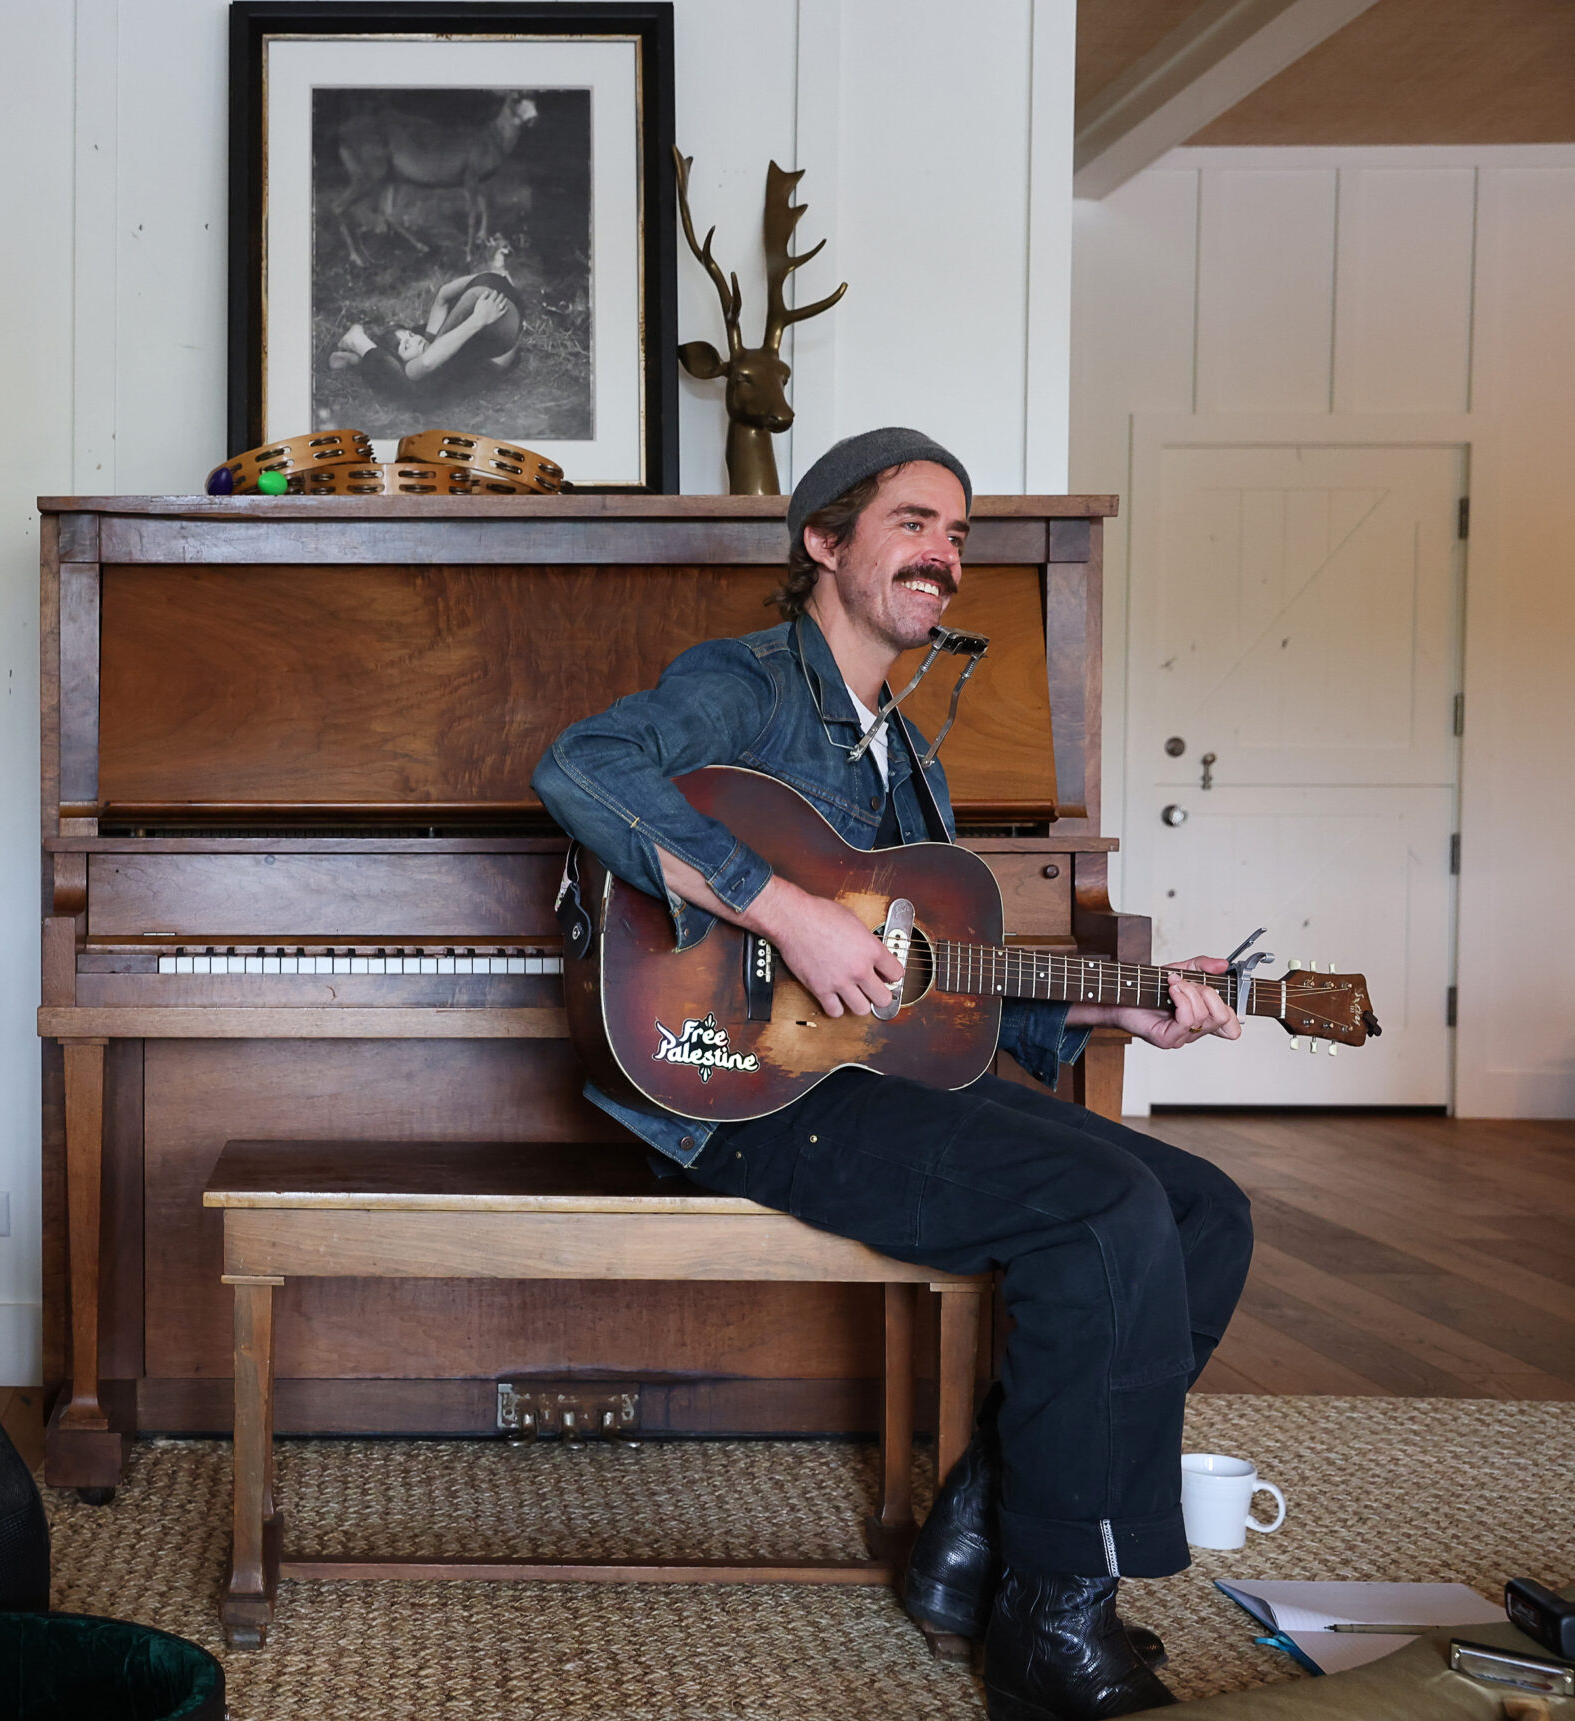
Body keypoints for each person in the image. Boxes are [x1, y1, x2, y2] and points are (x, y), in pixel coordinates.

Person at [531, 427, 1257, 1721]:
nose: (944, 555)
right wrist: (782, 910)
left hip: (872, 1079)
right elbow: (582, 766)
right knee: (1099, 1212)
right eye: (913, 523)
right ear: (822, 540)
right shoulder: (752, 683)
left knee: (1208, 1209)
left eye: (958, 535)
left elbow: (934, 995)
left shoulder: (909, 756)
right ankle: (1052, 1623)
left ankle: (981, 1538)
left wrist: (1116, 1009)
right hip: (742, 1088)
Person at [328, 246, 526, 399]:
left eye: (411, 336)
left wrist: (485, 279)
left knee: (411, 386)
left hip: (497, 324)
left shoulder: (431, 342)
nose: (416, 340)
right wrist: (478, 319)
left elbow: (442, 297)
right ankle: (359, 345)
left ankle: (359, 352)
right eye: (407, 345)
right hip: (492, 334)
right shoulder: (422, 358)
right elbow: (426, 361)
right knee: (411, 385)